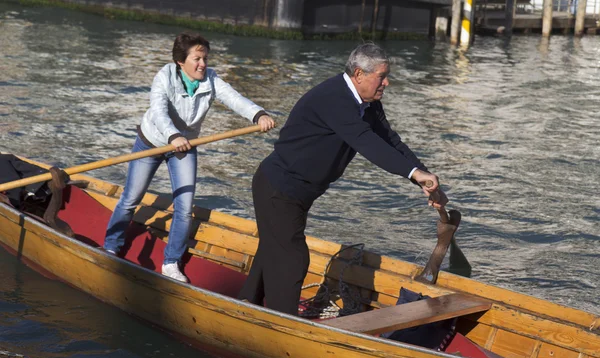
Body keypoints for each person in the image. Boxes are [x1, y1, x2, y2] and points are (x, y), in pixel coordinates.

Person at [238, 43, 447, 315]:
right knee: (292, 258)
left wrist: (422, 176)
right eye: (382, 76)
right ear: (359, 74)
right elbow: (366, 142)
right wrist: (414, 174)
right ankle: (282, 325)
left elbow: (390, 141)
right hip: (279, 188)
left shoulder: (369, 104)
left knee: (273, 247)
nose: (387, 82)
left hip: (299, 193)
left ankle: (245, 303)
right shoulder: (334, 99)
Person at [104, 32, 275, 282]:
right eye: (197, 59)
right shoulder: (164, 76)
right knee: (131, 198)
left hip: (185, 146)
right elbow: (159, 110)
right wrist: (173, 135)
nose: (203, 64)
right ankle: (111, 245)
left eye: (204, 58)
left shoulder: (211, 79)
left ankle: (171, 262)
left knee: (184, 208)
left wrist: (258, 115)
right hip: (152, 142)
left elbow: (235, 99)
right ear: (180, 62)